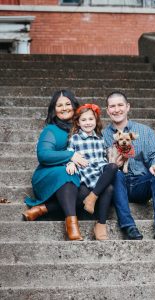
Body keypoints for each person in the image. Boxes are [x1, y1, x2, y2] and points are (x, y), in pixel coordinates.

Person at [103, 91, 155, 240]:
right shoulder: (102, 135)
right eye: (112, 106)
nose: (117, 110)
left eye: (120, 105)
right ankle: (128, 227)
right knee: (115, 173)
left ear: (128, 107)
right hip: (117, 184)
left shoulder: (144, 131)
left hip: (140, 185)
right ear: (107, 110)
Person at [23, 90, 88, 241]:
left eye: (67, 104)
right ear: (54, 109)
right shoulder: (51, 130)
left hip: (76, 176)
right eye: (59, 105)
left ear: (74, 106)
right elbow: (44, 155)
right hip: (47, 176)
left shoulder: (84, 126)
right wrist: (70, 155)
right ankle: (72, 226)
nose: (64, 108)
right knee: (66, 173)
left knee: (87, 194)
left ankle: (43, 209)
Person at [67, 103, 118, 240]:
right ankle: (100, 223)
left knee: (113, 166)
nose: (88, 123)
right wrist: (71, 163)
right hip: (86, 172)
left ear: (96, 121)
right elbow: (70, 154)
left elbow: (104, 158)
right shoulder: (75, 139)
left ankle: (92, 199)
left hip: (100, 172)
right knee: (109, 189)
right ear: (78, 122)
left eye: (91, 119)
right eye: (83, 120)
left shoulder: (100, 139)